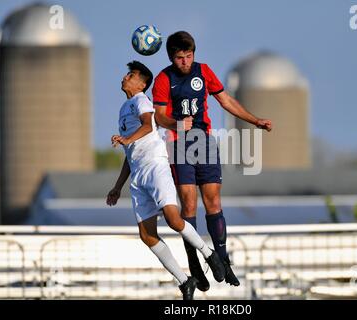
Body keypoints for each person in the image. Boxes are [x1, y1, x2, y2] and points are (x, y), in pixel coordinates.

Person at [152, 31, 272, 292]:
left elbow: (225, 99)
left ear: (193, 54)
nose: (184, 62)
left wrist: (255, 120)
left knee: (214, 201)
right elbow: (159, 116)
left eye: (188, 56)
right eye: (179, 58)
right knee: (189, 203)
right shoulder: (163, 78)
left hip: (203, 141)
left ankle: (223, 259)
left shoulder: (203, 71)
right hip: (177, 143)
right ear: (171, 57)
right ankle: (194, 261)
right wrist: (176, 123)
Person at [106, 60, 225, 300]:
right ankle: (185, 281)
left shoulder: (141, 100)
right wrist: (117, 187)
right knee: (147, 235)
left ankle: (208, 253)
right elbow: (130, 155)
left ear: (142, 83)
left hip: (155, 168)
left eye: (130, 74)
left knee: (173, 219)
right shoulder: (123, 108)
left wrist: (127, 140)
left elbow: (149, 125)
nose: (125, 77)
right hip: (138, 175)